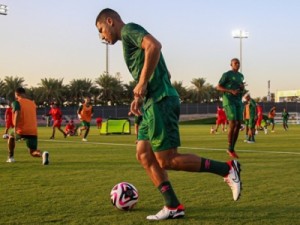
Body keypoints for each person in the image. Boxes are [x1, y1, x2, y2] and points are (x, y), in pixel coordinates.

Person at [95, 8, 242, 221]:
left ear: (110, 21)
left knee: (167, 160)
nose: (102, 36)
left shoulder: (128, 30)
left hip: (160, 100)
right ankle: (173, 205)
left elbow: (154, 46)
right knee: (144, 154)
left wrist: (143, 83)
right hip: (149, 102)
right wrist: (139, 95)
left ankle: (227, 170)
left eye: (101, 30)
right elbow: (156, 68)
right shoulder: (128, 40)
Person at [7, 87, 49, 165]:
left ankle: (11, 157)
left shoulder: (16, 102)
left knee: (10, 135)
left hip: (21, 129)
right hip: (33, 130)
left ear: (17, 94)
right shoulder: (32, 103)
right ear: (24, 94)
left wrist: (15, 128)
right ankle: (42, 154)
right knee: (33, 152)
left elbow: (17, 113)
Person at [216, 58, 245, 159]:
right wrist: (230, 91)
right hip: (228, 100)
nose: (237, 64)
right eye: (235, 63)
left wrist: (241, 88)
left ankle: (232, 148)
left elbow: (241, 88)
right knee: (233, 123)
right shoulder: (227, 74)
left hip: (238, 101)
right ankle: (229, 146)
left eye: (238, 63)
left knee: (239, 123)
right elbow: (218, 87)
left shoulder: (241, 76)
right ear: (231, 64)